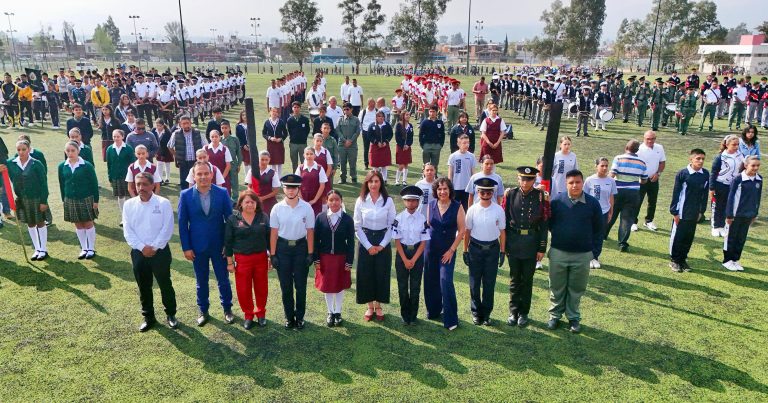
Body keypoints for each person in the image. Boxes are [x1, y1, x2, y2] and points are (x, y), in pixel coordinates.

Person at [178, 162, 235, 326]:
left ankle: (227, 309)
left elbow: (230, 221)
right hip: (197, 247)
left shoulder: (223, 193)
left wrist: (228, 245)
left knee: (223, 279)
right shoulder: (185, 195)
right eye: (199, 174)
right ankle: (203, 310)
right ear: (194, 176)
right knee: (201, 280)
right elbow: (182, 224)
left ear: (211, 175)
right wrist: (186, 247)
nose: (203, 177)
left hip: (219, 247)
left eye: (206, 173)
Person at [547, 169, 603, 333]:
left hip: (582, 255)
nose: (575, 185)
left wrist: (594, 252)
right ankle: (554, 316)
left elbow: (599, 230)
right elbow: (549, 224)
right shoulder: (557, 201)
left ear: (582, 183)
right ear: (566, 184)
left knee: (576, 288)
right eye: (571, 182)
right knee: (556, 287)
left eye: (578, 182)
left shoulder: (592, 203)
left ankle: (573, 318)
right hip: (558, 252)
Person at [122, 172, 177, 332]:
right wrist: (142, 247)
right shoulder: (129, 205)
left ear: (153, 185)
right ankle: (148, 317)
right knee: (144, 286)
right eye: (138, 184)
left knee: (165, 284)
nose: (141, 188)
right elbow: (128, 230)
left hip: (160, 252)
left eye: (145, 184)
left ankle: (171, 314)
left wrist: (154, 247)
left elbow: (167, 229)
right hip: (139, 253)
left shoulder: (163, 203)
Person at [504, 166, 549, 327]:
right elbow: (505, 220)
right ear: (518, 179)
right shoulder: (510, 194)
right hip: (514, 242)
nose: (525, 182)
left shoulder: (541, 197)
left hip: (531, 242)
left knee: (527, 280)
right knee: (515, 279)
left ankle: (524, 313)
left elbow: (544, 223)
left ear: (534, 180)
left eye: (529, 179)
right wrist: (505, 245)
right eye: (522, 179)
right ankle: (513, 311)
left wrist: (542, 248)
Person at [269, 174, 316, 329]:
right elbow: (274, 233)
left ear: (298, 188)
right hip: (282, 249)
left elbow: (310, 231)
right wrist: (273, 254)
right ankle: (289, 317)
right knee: (286, 286)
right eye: (288, 187)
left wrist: (310, 253)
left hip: (301, 248)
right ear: (283, 188)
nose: (290, 190)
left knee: (301, 286)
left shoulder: (306, 207)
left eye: (294, 187)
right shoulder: (277, 208)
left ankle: (300, 317)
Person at [224, 189, 271, 329]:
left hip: (261, 258)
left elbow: (269, 239)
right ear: (241, 204)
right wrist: (230, 262)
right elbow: (228, 242)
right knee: (243, 289)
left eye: (252, 201)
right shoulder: (233, 219)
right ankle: (248, 315)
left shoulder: (263, 217)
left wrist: (270, 257)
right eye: (247, 202)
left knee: (262, 287)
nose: (250, 204)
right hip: (242, 260)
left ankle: (261, 313)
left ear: (257, 203)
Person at [354, 171, 396, 321]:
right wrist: (368, 246)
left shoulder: (388, 201)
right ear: (366, 183)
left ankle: (378, 306)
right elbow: (357, 226)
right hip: (365, 240)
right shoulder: (361, 200)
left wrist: (382, 245)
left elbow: (392, 226)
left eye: (376, 181)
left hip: (382, 241)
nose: (373, 184)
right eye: (370, 181)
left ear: (381, 183)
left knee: (381, 274)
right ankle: (369, 306)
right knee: (365, 275)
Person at [463, 177, 506, 327]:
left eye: (488, 192)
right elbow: (467, 232)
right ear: (478, 192)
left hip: (492, 250)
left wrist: (502, 252)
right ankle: (476, 313)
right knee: (474, 284)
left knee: (489, 284)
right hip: (475, 249)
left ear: (492, 193)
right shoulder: (472, 209)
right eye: (482, 191)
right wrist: (465, 251)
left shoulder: (499, 209)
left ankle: (486, 314)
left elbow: (502, 232)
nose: (485, 194)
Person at [424, 177, 464, 330]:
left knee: (445, 281)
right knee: (430, 280)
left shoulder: (457, 206)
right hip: (431, 249)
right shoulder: (431, 204)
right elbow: (429, 224)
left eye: (445, 189)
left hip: (448, 251)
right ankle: (433, 311)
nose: (442, 192)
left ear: (450, 190)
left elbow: (462, 231)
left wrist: (451, 250)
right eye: (439, 189)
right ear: (436, 191)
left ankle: (451, 318)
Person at [0, 140, 50, 260]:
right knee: (30, 223)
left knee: (40, 222)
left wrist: (43, 201)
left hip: (37, 198)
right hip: (22, 199)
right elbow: (2, 166)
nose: (21, 152)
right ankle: (37, 248)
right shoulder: (11, 163)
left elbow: (44, 184)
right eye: (19, 150)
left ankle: (43, 249)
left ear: (29, 149)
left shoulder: (36, 163)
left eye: (24, 149)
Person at [313, 190, 355, 327]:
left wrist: (349, 261)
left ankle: (338, 312)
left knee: (339, 285)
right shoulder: (320, 217)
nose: (334, 202)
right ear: (327, 201)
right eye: (331, 200)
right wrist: (316, 259)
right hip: (325, 258)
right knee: (327, 286)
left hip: (341, 258)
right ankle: (330, 312)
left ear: (341, 201)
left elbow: (351, 243)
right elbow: (315, 240)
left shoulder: (347, 219)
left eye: (337, 199)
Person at [392, 185, 430, 325]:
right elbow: (397, 241)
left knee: (415, 287)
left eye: (414, 200)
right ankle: (404, 314)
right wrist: (405, 259)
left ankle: (413, 316)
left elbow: (424, 242)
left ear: (418, 202)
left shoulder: (422, 219)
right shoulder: (399, 218)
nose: (411, 203)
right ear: (404, 201)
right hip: (402, 253)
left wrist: (413, 259)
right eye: (408, 200)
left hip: (417, 254)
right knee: (402, 286)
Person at [669, 149, 709, 273]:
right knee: (678, 237)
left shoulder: (705, 174)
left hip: (694, 213)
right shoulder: (683, 174)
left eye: (703, 158)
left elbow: (705, 194)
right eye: (698, 158)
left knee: (688, 237)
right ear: (691, 159)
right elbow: (676, 194)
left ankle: (683, 259)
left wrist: (701, 211)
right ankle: (674, 260)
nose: (701, 161)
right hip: (682, 212)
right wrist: (675, 212)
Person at [58, 141, 100, 259]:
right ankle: (84, 248)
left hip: (86, 198)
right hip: (70, 199)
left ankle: (91, 248)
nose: (70, 153)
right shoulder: (62, 166)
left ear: (78, 151)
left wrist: (95, 200)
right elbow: (62, 184)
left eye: (73, 150)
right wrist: (64, 200)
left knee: (88, 223)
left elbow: (94, 184)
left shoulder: (87, 165)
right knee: (78, 224)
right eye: (68, 151)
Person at [606, 139, 648, 252]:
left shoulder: (619, 158)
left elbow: (612, 174)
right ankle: (622, 243)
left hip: (618, 190)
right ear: (637, 150)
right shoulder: (642, 162)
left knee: (611, 214)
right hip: (633, 193)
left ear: (626, 148)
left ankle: (603, 234)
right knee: (627, 219)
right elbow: (644, 180)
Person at [722, 156, 762, 271]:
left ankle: (735, 260)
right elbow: (730, 198)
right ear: (746, 165)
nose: (755, 168)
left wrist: (755, 213)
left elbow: (757, 198)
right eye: (753, 165)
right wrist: (729, 215)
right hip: (735, 215)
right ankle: (727, 260)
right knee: (731, 237)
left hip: (748, 215)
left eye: (757, 166)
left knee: (741, 238)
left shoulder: (759, 179)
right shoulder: (738, 179)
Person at [709, 135, 745, 238]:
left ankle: (723, 226)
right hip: (720, 185)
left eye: (738, 144)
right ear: (727, 144)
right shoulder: (720, 157)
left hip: (732, 186)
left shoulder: (740, 155)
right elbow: (713, 173)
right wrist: (711, 188)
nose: (736, 147)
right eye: (733, 144)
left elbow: (742, 169)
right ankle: (716, 227)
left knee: (727, 206)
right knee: (717, 206)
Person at [584, 158, 616, 269]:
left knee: (599, 235)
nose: (605, 168)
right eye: (602, 165)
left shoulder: (611, 181)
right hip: (590, 212)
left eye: (606, 166)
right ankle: (587, 257)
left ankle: (595, 257)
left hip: (604, 211)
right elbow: (584, 197)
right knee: (589, 234)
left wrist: (611, 211)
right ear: (596, 166)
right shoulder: (589, 180)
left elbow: (611, 196)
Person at [167, 115, 208, 190]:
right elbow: (169, 146)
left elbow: (205, 146)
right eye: (184, 124)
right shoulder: (175, 134)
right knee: (184, 182)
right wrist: (176, 155)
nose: (186, 125)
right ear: (180, 124)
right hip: (183, 162)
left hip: (196, 162)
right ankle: (186, 199)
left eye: (187, 123)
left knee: (198, 181)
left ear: (190, 123)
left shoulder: (198, 133)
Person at [105, 129, 135, 218]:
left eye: (118, 136)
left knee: (130, 196)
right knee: (120, 196)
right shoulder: (109, 149)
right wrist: (110, 177)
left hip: (127, 176)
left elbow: (132, 163)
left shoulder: (128, 148)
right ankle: (123, 216)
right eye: (114, 136)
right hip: (116, 177)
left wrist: (132, 177)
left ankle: (132, 216)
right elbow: (109, 164)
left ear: (123, 137)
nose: (116, 138)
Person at [295, 146, 328, 215]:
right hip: (302, 198)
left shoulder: (319, 168)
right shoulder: (300, 168)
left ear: (314, 155)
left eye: (311, 154)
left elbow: (322, 185)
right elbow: (296, 184)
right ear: (304, 155)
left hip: (316, 198)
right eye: (307, 154)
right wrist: (301, 198)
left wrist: (314, 200)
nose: (309, 156)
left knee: (315, 218)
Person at [246, 151, 281, 215]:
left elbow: (276, 191)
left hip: (269, 202)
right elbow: (249, 186)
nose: (264, 162)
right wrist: (254, 196)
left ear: (269, 160)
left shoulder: (273, 173)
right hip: (254, 201)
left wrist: (263, 198)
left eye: (266, 160)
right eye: (262, 159)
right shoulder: (251, 171)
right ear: (258, 159)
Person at [447, 135, 476, 211]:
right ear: (458, 144)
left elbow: (473, 173)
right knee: (454, 208)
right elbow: (450, 173)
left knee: (466, 208)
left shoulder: (471, 156)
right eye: (464, 143)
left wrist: (473, 186)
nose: (467, 145)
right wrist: (450, 186)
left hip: (467, 188)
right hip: (455, 187)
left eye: (468, 143)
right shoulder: (453, 156)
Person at [336, 102, 361, 184]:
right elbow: (338, 131)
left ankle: (353, 178)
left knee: (352, 162)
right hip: (342, 145)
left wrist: (350, 141)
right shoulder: (340, 119)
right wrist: (344, 140)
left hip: (352, 145)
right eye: (344, 109)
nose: (346, 111)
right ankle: (343, 178)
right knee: (342, 163)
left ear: (351, 109)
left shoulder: (356, 120)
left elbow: (357, 132)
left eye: (347, 109)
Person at [204, 130, 233, 196]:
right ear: (210, 138)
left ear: (220, 137)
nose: (214, 138)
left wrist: (222, 178)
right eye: (212, 137)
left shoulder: (225, 149)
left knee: (224, 195)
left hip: (224, 176)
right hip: (209, 177)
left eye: (216, 136)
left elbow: (228, 165)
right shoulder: (205, 148)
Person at [368, 111, 393, 182]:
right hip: (375, 147)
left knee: (384, 164)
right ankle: (375, 179)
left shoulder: (387, 125)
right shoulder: (372, 125)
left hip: (385, 147)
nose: (381, 118)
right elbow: (369, 136)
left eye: (382, 116)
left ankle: (384, 179)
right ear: (376, 117)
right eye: (379, 116)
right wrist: (376, 142)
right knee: (375, 165)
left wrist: (386, 142)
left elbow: (390, 134)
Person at [286, 101, 311, 172]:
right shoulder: (289, 120)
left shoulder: (305, 119)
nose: (296, 109)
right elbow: (289, 130)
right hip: (293, 144)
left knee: (304, 162)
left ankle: (304, 176)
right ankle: (295, 176)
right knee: (294, 162)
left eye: (297, 107)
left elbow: (307, 130)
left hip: (303, 144)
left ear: (300, 108)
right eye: (295, 107)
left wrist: (303, 137)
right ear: (292, 108)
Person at [263, 107, 288, 177]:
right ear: (270, 112)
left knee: (279, 161)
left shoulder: (281, 122)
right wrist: (269, 138)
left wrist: (281, 139)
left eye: (276, 112)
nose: (274, 113)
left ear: (278, 113)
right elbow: (263, 133)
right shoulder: (267, 122)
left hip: (279, 144)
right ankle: (273, 177)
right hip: (270, 144)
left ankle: (279, 177)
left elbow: (285, 133)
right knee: (272, 161)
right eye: (273, 111)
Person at [419, 105, 446, 170]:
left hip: (437, 146)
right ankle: (424, 176)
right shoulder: (424, 122)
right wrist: (423, 145)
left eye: (433, 111)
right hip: (426, 145)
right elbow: (420, 134)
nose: (432, 113)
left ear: (437, 112)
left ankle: (435, 177)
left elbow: (442, 134)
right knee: (426, 164)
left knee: (435, 164)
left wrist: (440, 144)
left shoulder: (440, 122)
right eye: (430, 111)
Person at [394, 111, 414, 186]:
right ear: (403, 116)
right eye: (406, 115)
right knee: (401, 164)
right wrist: (403, 145)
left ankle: (404, 180)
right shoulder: (399, 125)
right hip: (400, 147)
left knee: (406, 164)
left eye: (409, 115)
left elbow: (411, 137)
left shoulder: (410, 126)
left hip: (407, 147)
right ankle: (397, 180)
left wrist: (408, 145)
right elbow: (397, 137)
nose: (408, 116)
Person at [152, 118, 174, 185]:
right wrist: (155, 152)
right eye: (157, 125)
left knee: (167, 164)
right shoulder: (153, 131)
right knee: (159, 164)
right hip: (158, 151)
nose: (158, 127)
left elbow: (170, 143)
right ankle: (160, 179)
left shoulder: (167, 132)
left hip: (166, 150)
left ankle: (167, 178)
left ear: (163, 125)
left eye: (160, 126)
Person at [359, 98, 378, 170]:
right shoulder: (363, 112)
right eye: (372, 103)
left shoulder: (377, 111)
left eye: (374, 103)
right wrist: (361, 131)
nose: (373, 105)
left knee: (376, 147)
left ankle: (375, 163)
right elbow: (359, 122)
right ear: (368, 104)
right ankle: (366, 163)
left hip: (374, 132)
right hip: (365, 132)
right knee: (366, 148)